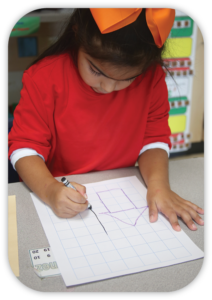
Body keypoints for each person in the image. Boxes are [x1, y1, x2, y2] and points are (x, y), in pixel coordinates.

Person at [8, 8, 204, 231]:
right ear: (77, 34)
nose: (109, 87)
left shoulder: (152, 76)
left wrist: (159, 186)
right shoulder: (43, 77)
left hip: (124, 188)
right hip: (61, 189)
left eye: (128, 78)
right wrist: (50, 190)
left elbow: (154, 139)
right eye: (96, 70)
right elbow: (25, 148)